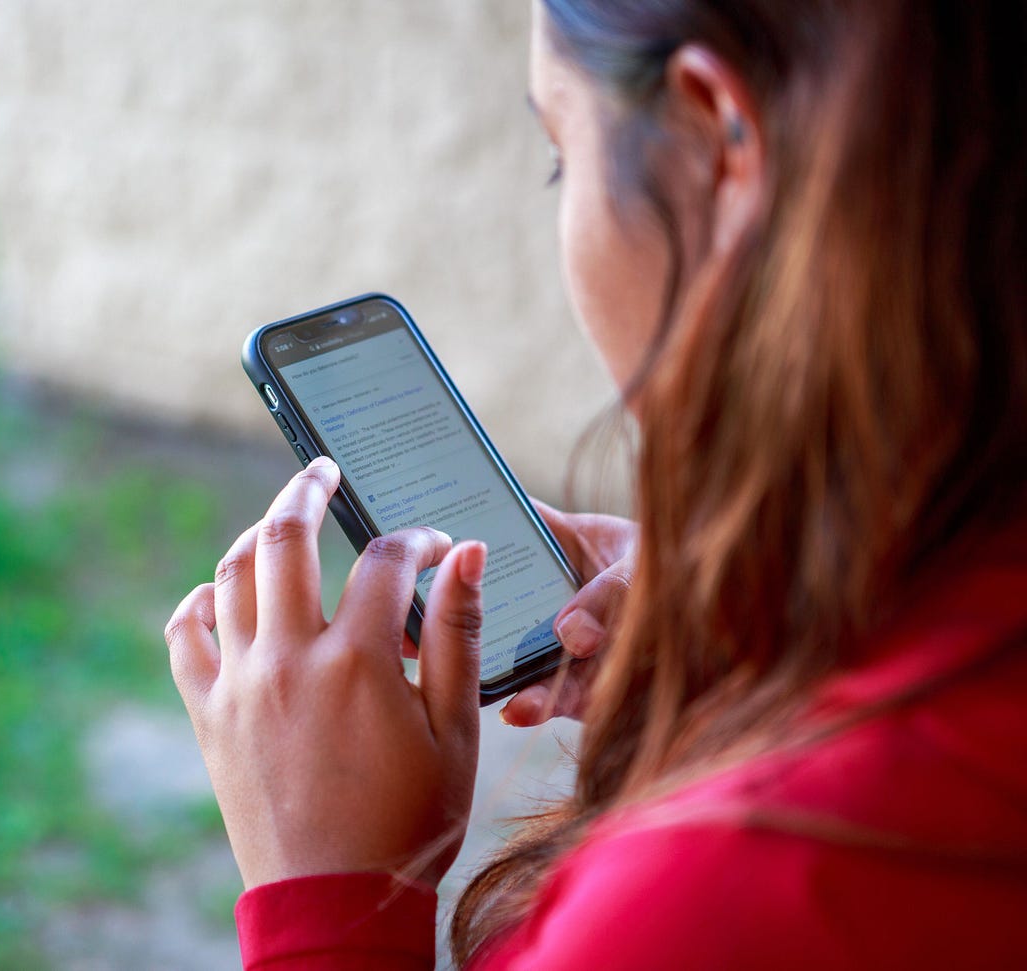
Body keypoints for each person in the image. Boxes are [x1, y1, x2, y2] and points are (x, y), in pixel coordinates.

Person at [164, 0, 1027, 966]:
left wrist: (324, 898)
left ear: (714, 134)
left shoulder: (718, 897)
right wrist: (745, 658)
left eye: (561, 157)